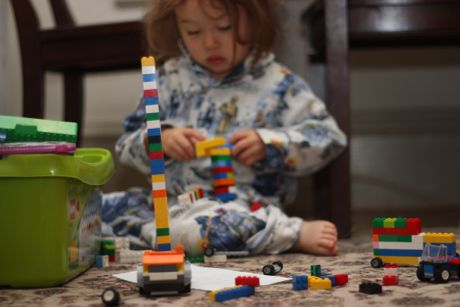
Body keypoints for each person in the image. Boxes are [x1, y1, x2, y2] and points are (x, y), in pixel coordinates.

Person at [103, 0, 347, 257]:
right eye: (193, 32)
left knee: (203, 230)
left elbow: (330, 137)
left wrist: (270, 144)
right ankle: (161, 232)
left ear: (255, 20)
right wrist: (160, 139)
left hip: (242, 206)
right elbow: (125, 142)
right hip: (168, 202)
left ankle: (288, 232)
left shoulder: (279, 83)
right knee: (91, 211)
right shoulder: (168, 79)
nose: (210, 43)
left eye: (224, 27)